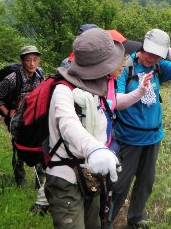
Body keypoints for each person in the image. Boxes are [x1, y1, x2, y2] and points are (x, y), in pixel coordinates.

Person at [110, 29, 171, 228]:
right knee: (121, 184)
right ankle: (107, 220)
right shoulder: (126, 65)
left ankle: (135, 219)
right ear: (142, 46)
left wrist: (167, 50)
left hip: (153, 136)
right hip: (128, 138)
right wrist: (140, 92)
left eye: (157, 54)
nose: (151, 58)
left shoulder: (159, 66)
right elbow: (118, 101)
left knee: (146, 182)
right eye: (149, 52)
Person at [44, 28, 125, 229]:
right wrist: (94, 149)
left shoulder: (98, 88)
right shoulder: (63, 90)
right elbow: (68, 124)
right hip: (66, 178)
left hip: (91, 176)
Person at [0, 45, 48, 211]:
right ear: (22, 61)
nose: (32, 63)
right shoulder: (12, 79)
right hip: (17, 120)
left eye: (35, 59)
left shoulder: (40, 74)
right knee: (19, 149)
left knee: (39, 148)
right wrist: (8, 114)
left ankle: (40, 183)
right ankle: (20, 183)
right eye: (28, 59)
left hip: (34, 118)